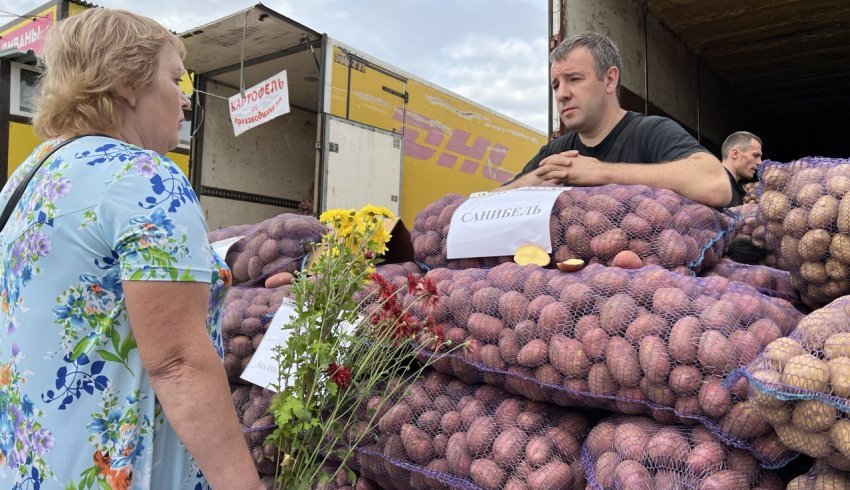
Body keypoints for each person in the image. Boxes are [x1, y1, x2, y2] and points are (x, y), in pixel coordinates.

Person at [0, 9, 264, 489]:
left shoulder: (29, 175)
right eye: (175, 79)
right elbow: (178, 362)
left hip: (33, 468)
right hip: (123, 472)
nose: (185, 100)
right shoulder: (144, 179)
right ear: (127, 83)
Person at [500, 31, 731, 208]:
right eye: (556, 85)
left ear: (610, 80)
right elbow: (487, 204)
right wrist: (536, 180)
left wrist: (600, 173)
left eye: (574, 79)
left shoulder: (650, 131)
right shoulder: (554, 154)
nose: (561, 94)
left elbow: (716, 185)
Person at [720, 131, 763, 207]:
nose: (760, 162)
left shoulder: (741, 190)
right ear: (735, 154)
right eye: (755, 155)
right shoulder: (714, 184)